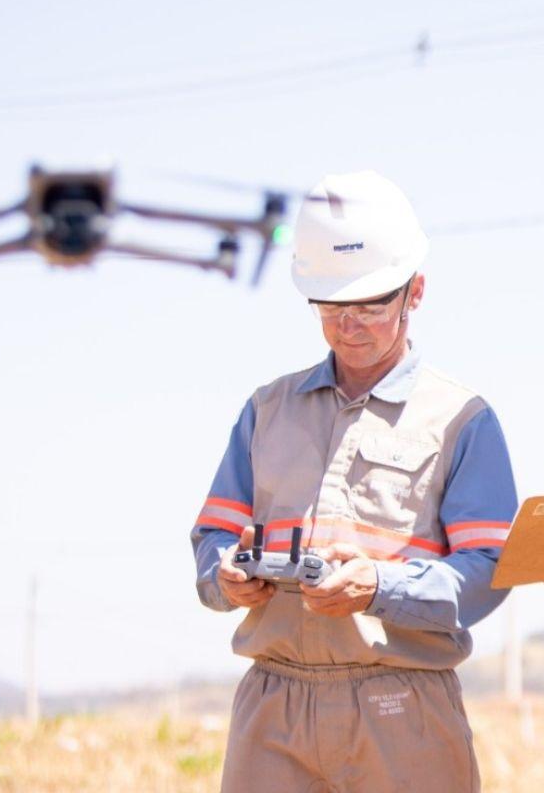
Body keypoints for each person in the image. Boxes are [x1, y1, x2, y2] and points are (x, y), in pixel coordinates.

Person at [191, 170, 516, 793]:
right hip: (274, 705)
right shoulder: (266, 410)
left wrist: (380, 586)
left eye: (371, 305)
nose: (350, 325)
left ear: (414, 291)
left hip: (402, 704)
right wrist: (226, 575)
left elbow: (491, 568)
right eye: (332, 307)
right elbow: (212, 538)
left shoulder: (461, 419)